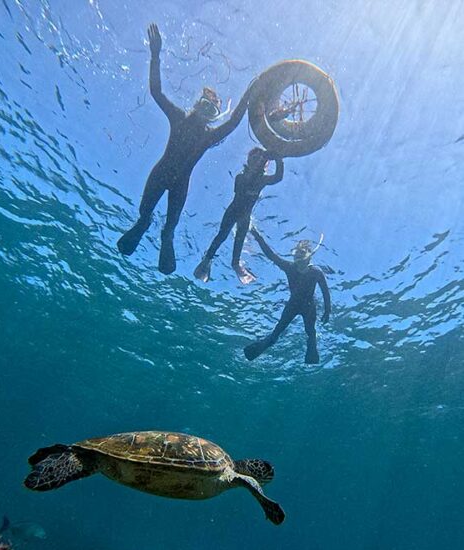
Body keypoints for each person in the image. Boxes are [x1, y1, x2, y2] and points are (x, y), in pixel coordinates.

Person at [117, 23, 253, 274]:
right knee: (144, 215)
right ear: (196, 104)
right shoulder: (179, 118)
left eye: (212, 110)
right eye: (204, 104)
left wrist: (250, 93)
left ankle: (165, 237)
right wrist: (155, 55)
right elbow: (156, 92)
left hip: (179, 184)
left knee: (170, 227)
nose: (206, 111)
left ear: (213, 116)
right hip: (162, 175)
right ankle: (144, 224)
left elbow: (233, 122)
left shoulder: (209, 135)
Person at [194, 147, 284, 284]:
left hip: (245, 215)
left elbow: (278, 177)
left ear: (265, 164)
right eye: (254, 158)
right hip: (233, 211)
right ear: (248, 161)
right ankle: (207, 259)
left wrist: (278, 158)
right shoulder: (240, 177)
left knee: (240, 240)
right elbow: (245, 185)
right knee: (222, 235)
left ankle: (235, 263)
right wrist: (264, 159)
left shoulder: (262, 180)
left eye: (260, 158)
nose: (257, 160)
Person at [244, 227, 331, 364]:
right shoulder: (289, 267)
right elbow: (270, 254)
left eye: (302, 253)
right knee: (276, 333)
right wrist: (256, 234)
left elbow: (325, 291)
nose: (298, 257)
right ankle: (265, 344)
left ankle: (311, 350)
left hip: (309, 307)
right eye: (296, 254)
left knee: (311, 333)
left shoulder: (316, 272)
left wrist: (327, 309)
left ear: (310, 257)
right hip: (293, 305)